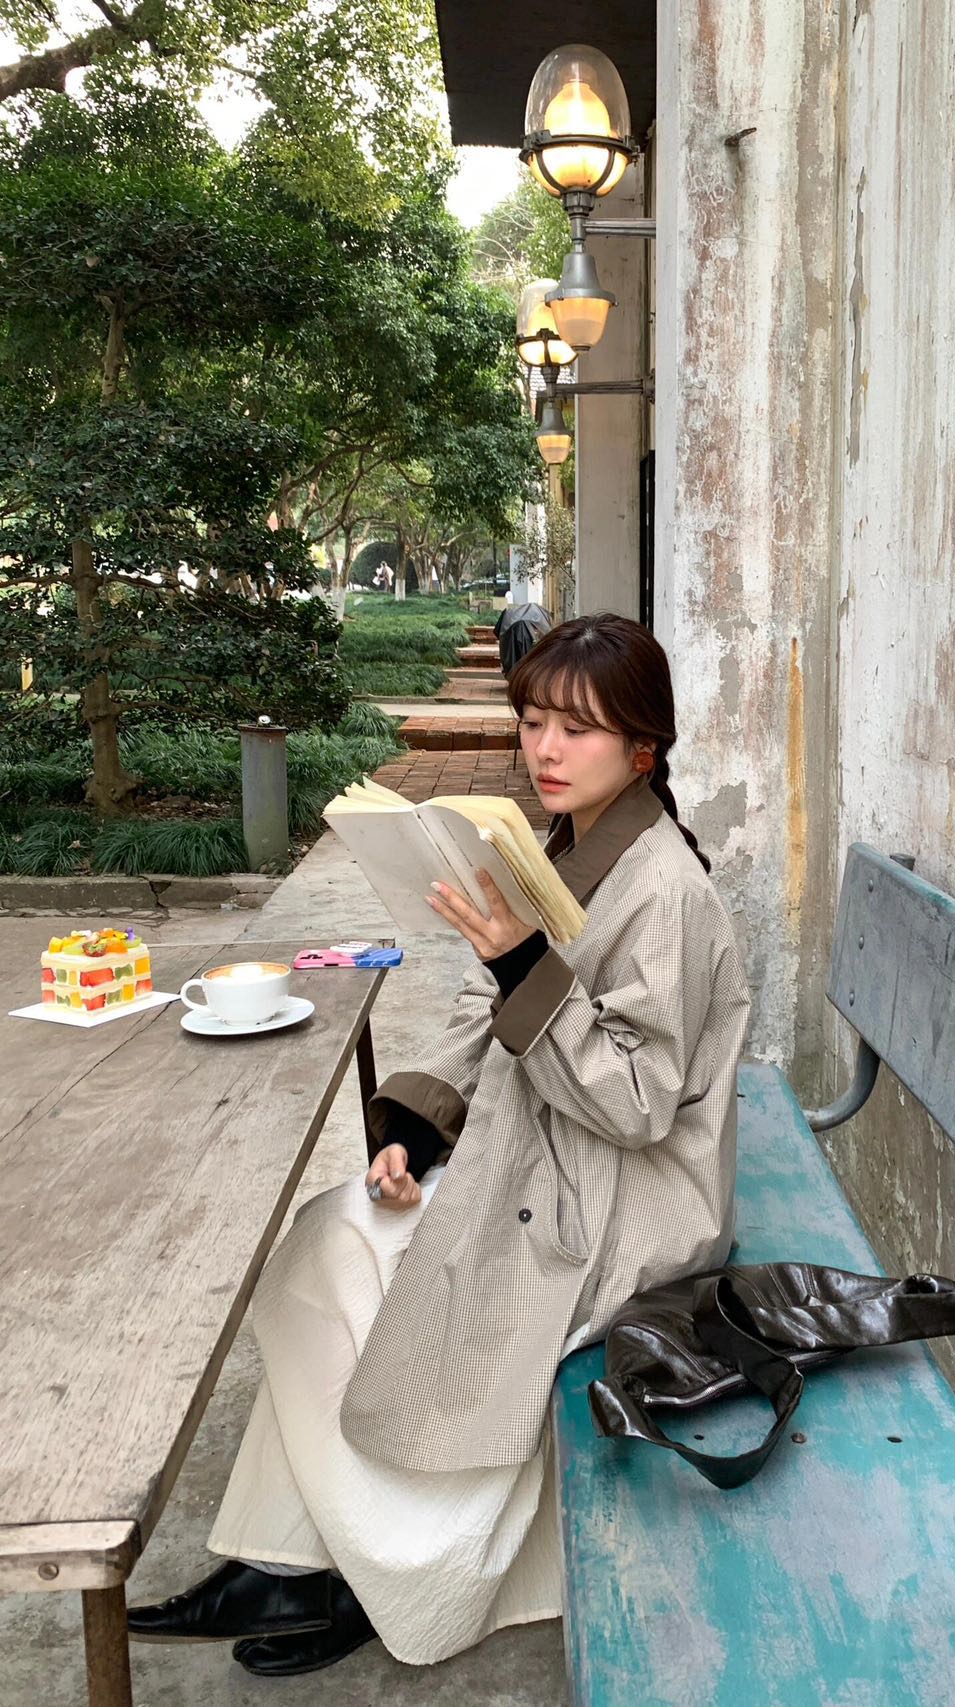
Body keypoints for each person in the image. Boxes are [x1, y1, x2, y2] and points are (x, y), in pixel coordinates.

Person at [127, 612, 752, 1677]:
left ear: (643, 746)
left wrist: (520, 968)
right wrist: (418, 1131)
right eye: (533, 721)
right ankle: (283, 1558)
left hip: (632, 1200)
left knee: (343, 1265)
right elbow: (479, 1005)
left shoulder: (664, 889)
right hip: (562, 1153)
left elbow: (640, 1104)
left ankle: (374, 1575)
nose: (545, 749)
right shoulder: (563, 845)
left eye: (578, 730)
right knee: (328, 1239)